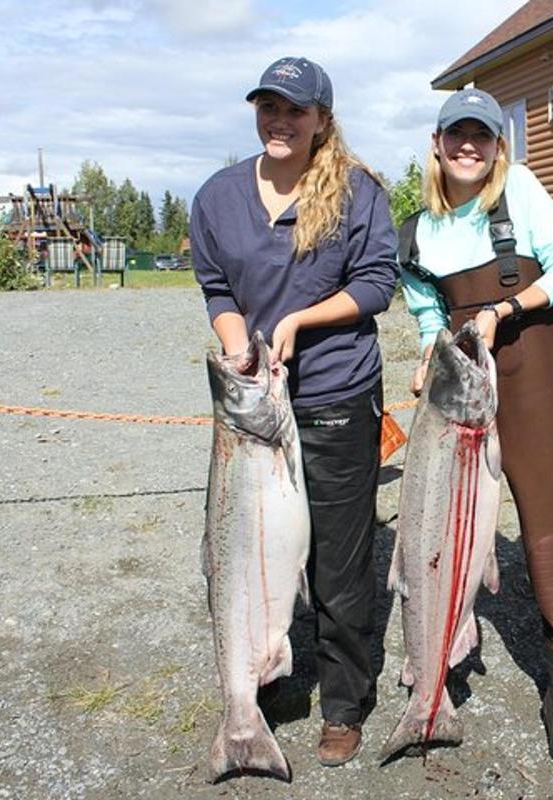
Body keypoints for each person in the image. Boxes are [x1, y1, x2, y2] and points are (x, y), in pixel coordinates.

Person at [190, 56, 398, 767]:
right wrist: (234, 347)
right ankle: (260, 684)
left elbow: (376, 283)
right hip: (252, 404)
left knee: (340, 563)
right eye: (267, 107)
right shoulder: (217, 196)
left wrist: (301, 321)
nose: (279, 121)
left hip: (337, 395)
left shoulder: (358, 191)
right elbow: (217, 288)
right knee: (241, 553)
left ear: (321, 120)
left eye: (294, 111)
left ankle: (343, 703)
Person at [398, 88, 553, 766]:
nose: (469, 147)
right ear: (439, 144)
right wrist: (428, 347)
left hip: (531, 369)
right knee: (440, 529)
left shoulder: (523, 192)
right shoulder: (417, 229)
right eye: (458, 136)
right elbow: (426, 310)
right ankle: (433, 665)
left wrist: (503, 311)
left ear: (498, 144)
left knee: (548, 529)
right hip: (459, 379)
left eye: (482, 135)